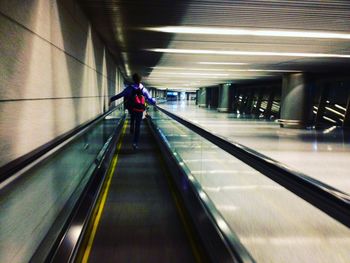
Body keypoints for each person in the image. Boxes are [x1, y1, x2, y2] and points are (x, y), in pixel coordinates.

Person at [109, 73, 156, 150]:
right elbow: (149, 98)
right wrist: (154, 102)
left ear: (133, 80)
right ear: (140, 80)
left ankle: (131, 127)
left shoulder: (129, 88)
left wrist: (112, 99)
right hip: (140, 110)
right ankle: (135, 143)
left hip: (132, 108)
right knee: (138, 126)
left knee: (132, 118)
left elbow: (121, 95)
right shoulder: (143, 89)